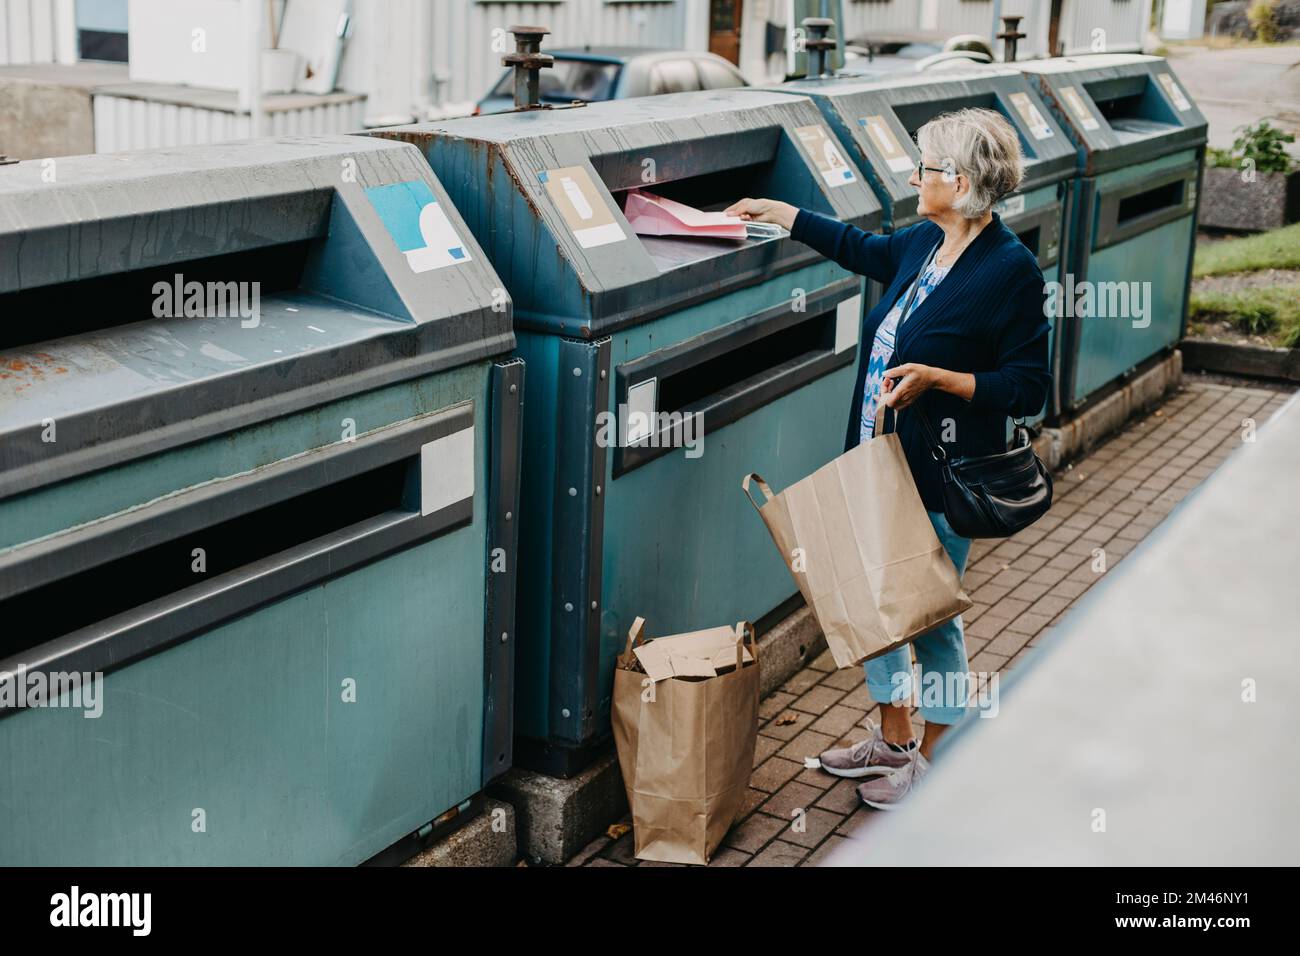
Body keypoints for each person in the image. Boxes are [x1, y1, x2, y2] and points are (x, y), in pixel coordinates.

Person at [725, 108, 1051, 810]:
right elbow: (859, 248)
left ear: (958, 182)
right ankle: (893, 736)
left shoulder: (1010, 272)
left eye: (924, 167)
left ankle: (932, 758)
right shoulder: (924, 243)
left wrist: (942, 379)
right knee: (873, 606)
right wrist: (779, 211)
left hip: (939, 473)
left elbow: (1029, 387)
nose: (912, 177)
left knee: (928, 617)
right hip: (876, 463)